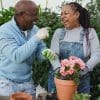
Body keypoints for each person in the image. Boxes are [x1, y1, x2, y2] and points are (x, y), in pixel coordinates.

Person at [0, 0, 55, 98]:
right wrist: (36, 38)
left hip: (27, 82)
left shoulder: (34, 29)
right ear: (21, 14)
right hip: (7, 83)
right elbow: (16, 56)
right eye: (33, 15)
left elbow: (40, 51)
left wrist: (46, 52)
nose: (37, 18)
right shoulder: (4, 31)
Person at [47, 2, 100, 94]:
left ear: (76, 15)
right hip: (59, 79)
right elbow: (53, 54)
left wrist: (84, 70)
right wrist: (60, 71)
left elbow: (97, 54)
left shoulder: (89, 32)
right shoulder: (58, 33)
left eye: (66, 13)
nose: (62, 17)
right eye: (61, 14)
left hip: (81, 80)